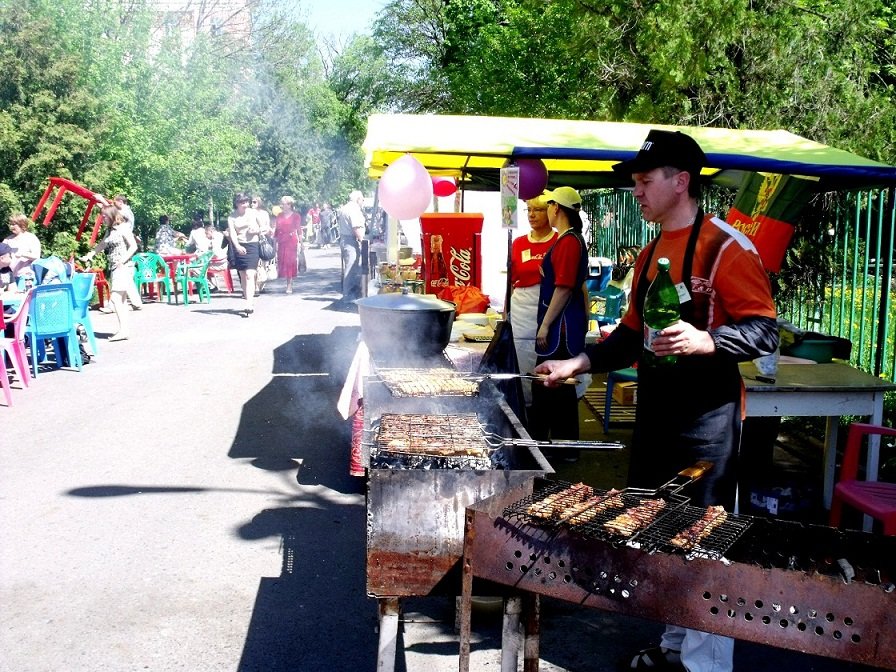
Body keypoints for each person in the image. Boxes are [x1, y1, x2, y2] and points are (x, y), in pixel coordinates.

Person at [535, 130, 779, 672]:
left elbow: (765, 331)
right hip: (657, 414)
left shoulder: (725, 247)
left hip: (708, 424)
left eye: (646, 182)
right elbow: (629, 336)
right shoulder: (648, 255)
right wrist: (578, 363)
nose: (637, 192)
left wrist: (709, 340)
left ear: (681, 181)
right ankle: (676, 647)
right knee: (662, 531)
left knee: (706, 541)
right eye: (637, 182)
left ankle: (705, 666)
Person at [528, 186, 589, 458]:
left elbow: (563, 288)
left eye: (548, 205)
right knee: (557, 387)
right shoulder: (571, 240)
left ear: (556, 208)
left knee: (551, 384)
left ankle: (552, 448)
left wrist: (545, 325)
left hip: (560, 327)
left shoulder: (568, 242)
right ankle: (560, 447)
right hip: (567, 322)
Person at [509, 194, 558, 409]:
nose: (531, 215)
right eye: (528, 210)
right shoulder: (518, 243)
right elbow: (512, 281)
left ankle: (546, 402)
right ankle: (526, 403)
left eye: (537, 210)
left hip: (549, 305)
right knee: (523, 356)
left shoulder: (559, 241)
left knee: (547, 353)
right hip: (522, 307)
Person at [81, 205, 142, 341]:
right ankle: (124, 330)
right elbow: (103, 244)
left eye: (104, 216)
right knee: (121, 300)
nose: (102, 219)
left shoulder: (123, 228)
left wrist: (122, 260)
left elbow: (133, 246)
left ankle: (123, 331)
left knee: (115, 299)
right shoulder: (110, 231)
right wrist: (90, 255)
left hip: (124, 267)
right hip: (115, 267)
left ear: (112, 215)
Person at [228, 192, 267, 317]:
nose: (245, 204)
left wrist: (257, 230)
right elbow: (232, 234)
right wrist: (237, 246)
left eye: (246, 202)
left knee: (250, 274)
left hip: (252, 245)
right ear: (237, 204)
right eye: (242, 202)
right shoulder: (232, 217)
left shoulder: (253, 213)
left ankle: (249, 303)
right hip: (239, 246)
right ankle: (247, 299)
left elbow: (265, 227)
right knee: (243, 275)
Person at [337, 190, 366, 301]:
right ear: (358, 199)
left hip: (346, 239)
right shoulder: (353, 209)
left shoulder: (345, 208)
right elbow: (356, 227)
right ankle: (348, 295)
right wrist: (363, 241)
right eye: (362, 199)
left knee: (351, 267)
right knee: (351, 268)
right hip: (350, 240)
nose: (362, 201)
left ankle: (349, 293)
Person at [274, 196, 303, 294]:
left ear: (289, 205)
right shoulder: (279, 215)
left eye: (283, 203)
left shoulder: (296, 216)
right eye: (281, 203)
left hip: (291, 241)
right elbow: (276, 230)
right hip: (282, 241)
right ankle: (286, 280)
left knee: (290, 263)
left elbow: (299, 230)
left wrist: (301, 243)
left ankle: (289, 285)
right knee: (283, 262)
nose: (281, 205)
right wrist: (274, 243)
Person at [3, 214, 41, 287]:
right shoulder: (7, 240)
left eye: (14, 224)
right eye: (10, 224)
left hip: (26, 276)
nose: (11, 227)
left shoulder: (31, 238)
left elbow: (37, 256)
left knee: (23, 297)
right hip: (10, 277)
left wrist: (23, 254)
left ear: (22, 225)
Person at [252, 196, 273, 294]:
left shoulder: (265, 213)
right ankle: (256, 287)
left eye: (254, 202)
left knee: (265, 263)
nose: (252, 204)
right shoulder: (249, 213)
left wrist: (267, 231)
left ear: (259, 203)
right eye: (251, 202)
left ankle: (262, 285)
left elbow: (268, 226)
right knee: (256, 265)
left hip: (264, 239)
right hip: (254, 240)